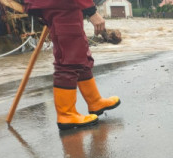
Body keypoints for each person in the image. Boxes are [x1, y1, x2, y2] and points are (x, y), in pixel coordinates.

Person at [23, 0, 120, 130]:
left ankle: (95, 102)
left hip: (64, 6)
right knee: (68, 60)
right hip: (61, 5)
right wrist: (91, 12)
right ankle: (66, 114)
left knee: (80, 54)